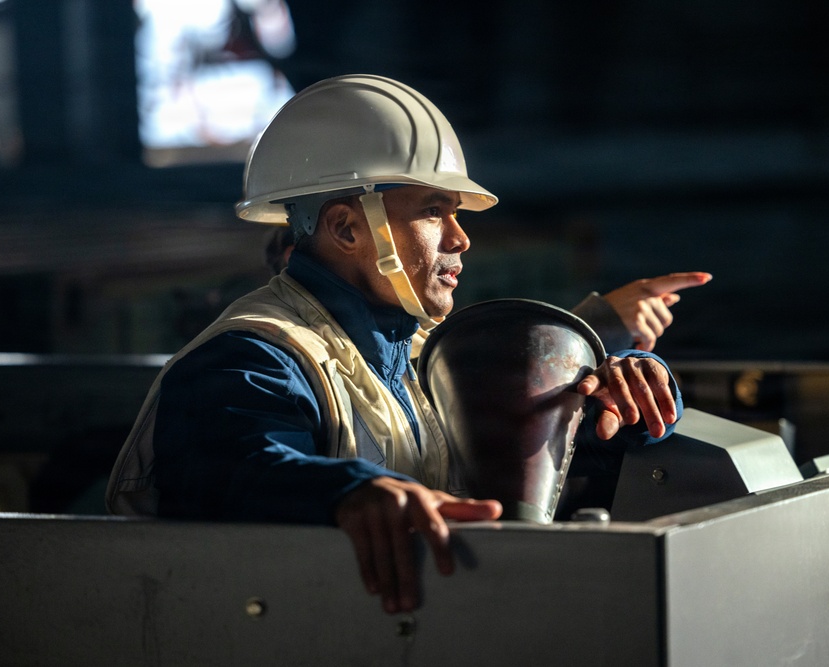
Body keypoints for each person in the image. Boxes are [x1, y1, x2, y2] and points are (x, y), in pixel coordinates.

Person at [107, 74, 683, 615]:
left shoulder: (421, 351)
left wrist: (624, 396)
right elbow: (236, 467)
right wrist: (349, 493)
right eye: (434, 211)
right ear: (347, 229)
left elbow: (533, 433)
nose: (461, 238)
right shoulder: (251, 358)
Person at [268, 225, 712, 353]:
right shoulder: (268, 354)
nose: (461, 240)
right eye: (430, 213)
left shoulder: (409, 344)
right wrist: (592, 330)